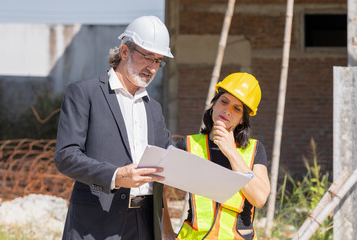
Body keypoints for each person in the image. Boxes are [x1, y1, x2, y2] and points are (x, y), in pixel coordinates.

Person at [54, 16, 175, 240]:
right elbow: (66, 156)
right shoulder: (85, 93)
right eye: (147, 56)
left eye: (158, 61)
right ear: (125, 51)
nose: (152, 67)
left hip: (144, 224)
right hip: (96, 223)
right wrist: (116, 176)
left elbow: (170, 156)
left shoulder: (154, 108)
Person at [175, 73, 271, 240]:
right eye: (224, 102)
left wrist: (231, 152)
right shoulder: (189, 144)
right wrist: (166, 230)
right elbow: (158, 186)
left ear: (242, 119)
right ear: (214, 104)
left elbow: (260, 198)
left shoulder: (254, 149)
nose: (227, 111)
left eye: (237, 108)